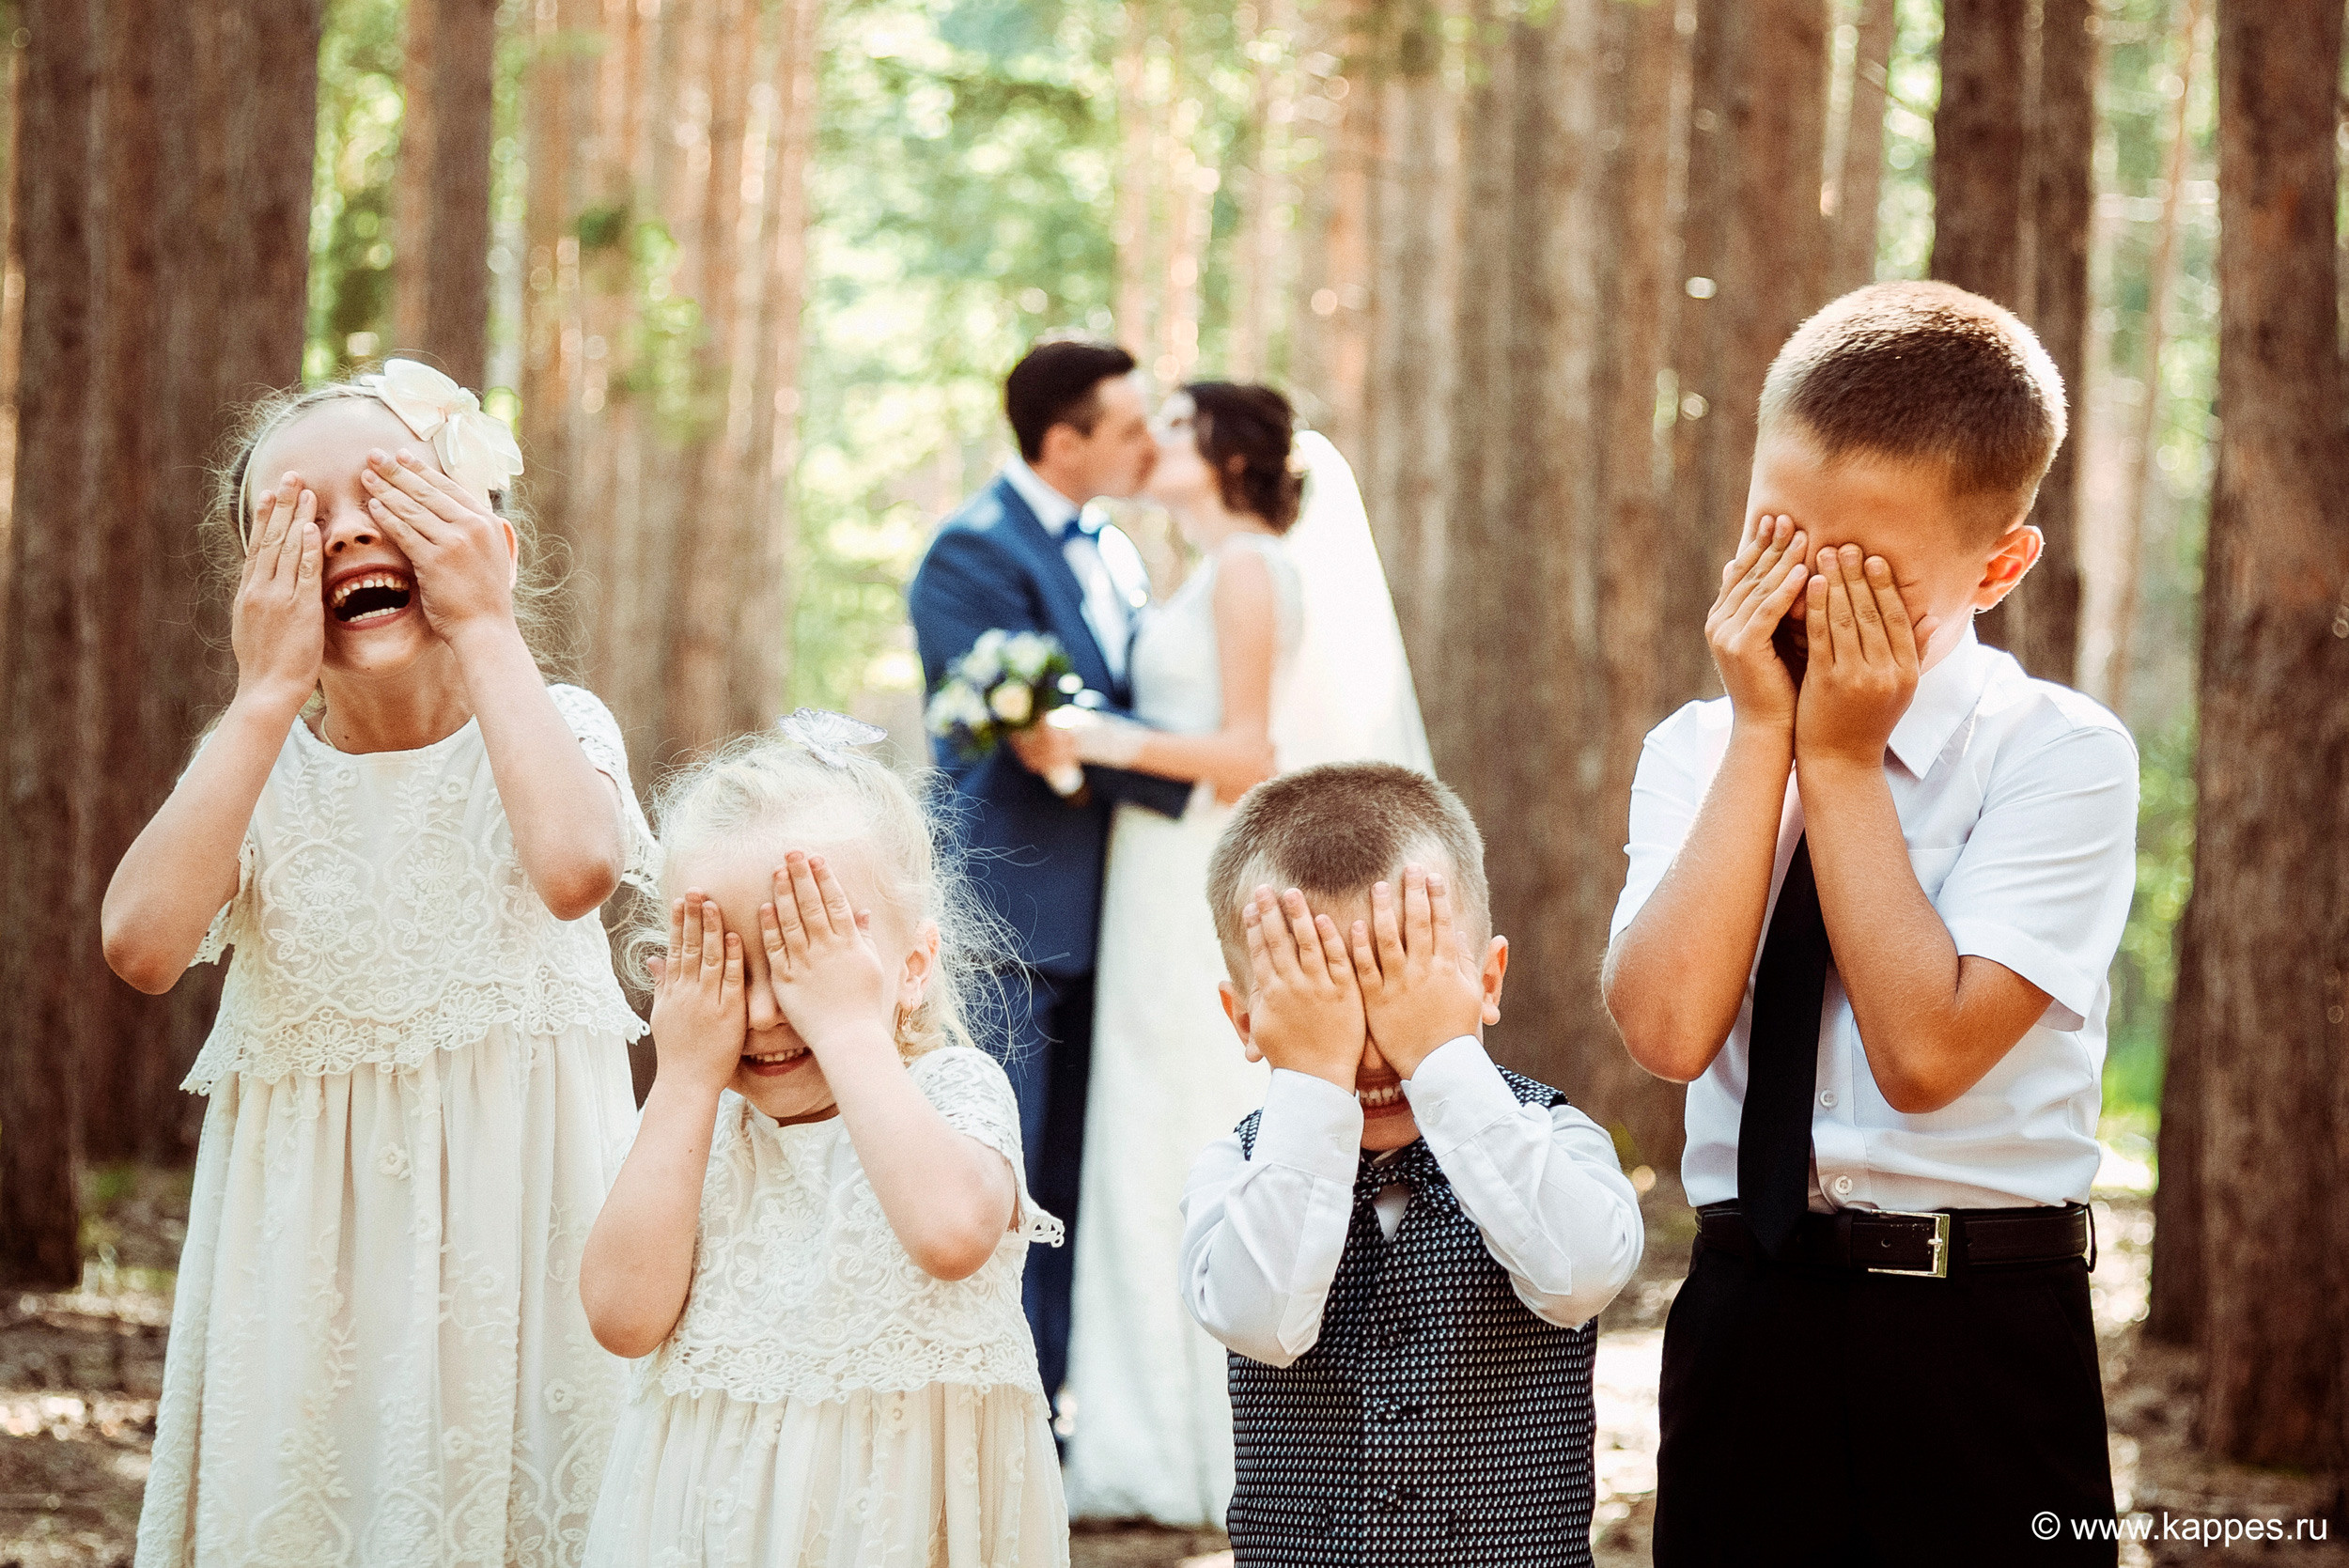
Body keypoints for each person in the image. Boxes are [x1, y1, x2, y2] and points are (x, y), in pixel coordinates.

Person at [1604, 281, 2139, 1566]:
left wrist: (1839, 768)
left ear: (1999, 565)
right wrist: (1763, 743)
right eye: (1777, 535)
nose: (1803, 591)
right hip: (1746, 1308)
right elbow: (1668, 1032)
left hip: (1980, 1324)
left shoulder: (2057, 754)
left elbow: (1928, 1053)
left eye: (1867, 570)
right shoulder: (1697, 747)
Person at [101, 361, 651, 1566]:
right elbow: (140, 944)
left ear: (479, 532)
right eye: (295, 518)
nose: (347, 527)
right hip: (314, 1295)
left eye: (388, 492)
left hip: (527, 1268)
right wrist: (260, 700)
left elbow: (574, 869)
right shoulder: (254, 772)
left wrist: (489, 623)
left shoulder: (565, 729)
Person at [1056, 382, 1430, 1524]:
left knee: (1182, 1122)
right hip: (1153, 878)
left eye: (1172, 427)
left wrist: (1092, 734)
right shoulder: (1209, 570)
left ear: (1224, 454)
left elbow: (1245, 754)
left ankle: (1212, 1448)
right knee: (1143, 1129)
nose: (1151, 442)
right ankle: (1139, 1435)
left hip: (1195, 880)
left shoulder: (1253, 570)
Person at [579, 726, 1066, 1567]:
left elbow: (951, 1234)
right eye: (728, 968)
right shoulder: (694, 1134)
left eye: (806, 960)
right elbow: (622, 1319)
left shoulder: (950, 1090)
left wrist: (846, 1025)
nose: (766, 1009)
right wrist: (685, 1078)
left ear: (912, 967)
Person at [1180, 764, 1644, 1567]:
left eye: (1402, 987)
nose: (1369, 1046)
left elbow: (1583, 1272)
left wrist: (1442, 1054)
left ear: (1487, 980)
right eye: (1325, 1001)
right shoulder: (1236, 1166)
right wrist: (1311, 1084)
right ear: (1247, 1018)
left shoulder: (1552, 1134)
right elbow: (1262, 1321)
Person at [904, 338, 1191, 1421]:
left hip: (1122, 911)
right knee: (1006, 1179)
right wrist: (1190, 768)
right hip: (1014, 920)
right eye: (1127, 427)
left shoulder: (1114, 548)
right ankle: (988, 1411)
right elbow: (1016, 736)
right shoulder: (968, 554)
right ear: (1062, 440)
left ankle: (1058, 1405)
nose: (1148, 444)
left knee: (1079, 1177)